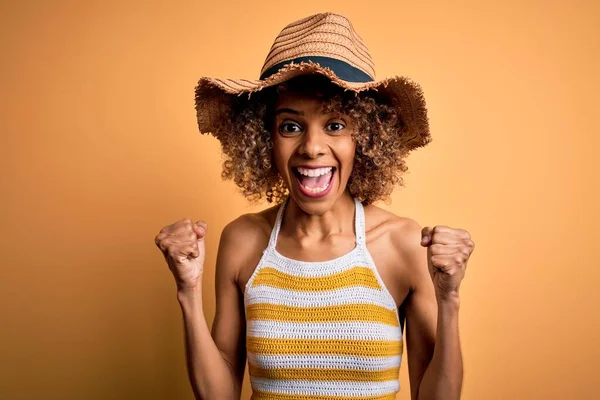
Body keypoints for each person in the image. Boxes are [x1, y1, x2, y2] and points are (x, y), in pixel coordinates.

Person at [155, 12, 475, 400]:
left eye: (336, 125)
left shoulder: (402, 244)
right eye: (290, 126)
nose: (311, 147)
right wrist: (187, 291)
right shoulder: (242, 241)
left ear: (365, 136)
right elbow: (219, 395)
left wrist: (449, 300)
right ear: (264, 139)